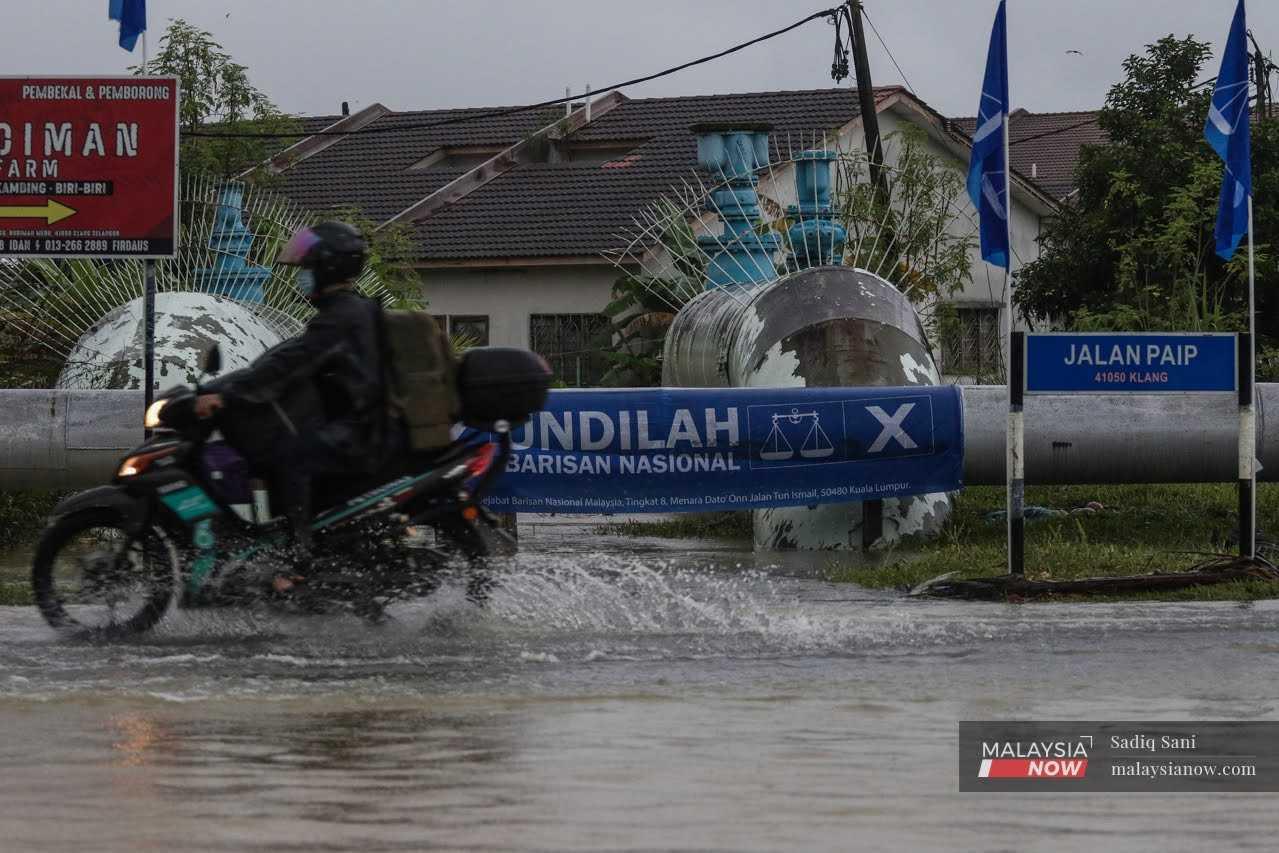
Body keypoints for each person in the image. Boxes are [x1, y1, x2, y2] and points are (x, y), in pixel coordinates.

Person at [194, 221, 396, 588]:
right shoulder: (346, 311)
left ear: (326, 267)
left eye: (307, 268)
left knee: (292, 455)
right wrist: (241, 381)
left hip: (361, 430)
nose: (303, 276)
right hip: (362, 422)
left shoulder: (341, 317)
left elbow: (290, 365)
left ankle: (299, 559)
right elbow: (289, 355)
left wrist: (228, 394)